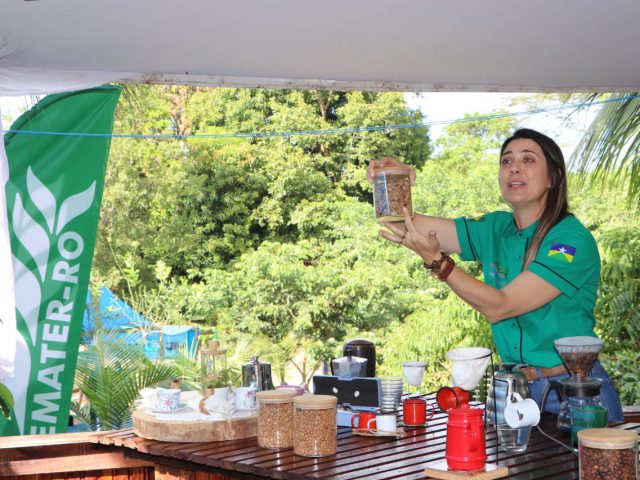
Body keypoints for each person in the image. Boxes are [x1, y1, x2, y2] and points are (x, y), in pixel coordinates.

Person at [367, 128, 624, 421]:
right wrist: (392, 181)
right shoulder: (495, 228)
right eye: (506, 161)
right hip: (514, 390)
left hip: (572, 392)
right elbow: (401, 224)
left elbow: (501, 306)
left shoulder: (569, 240)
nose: (514, 167)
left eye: (528, 160)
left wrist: (439, 263)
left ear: (552, 178)